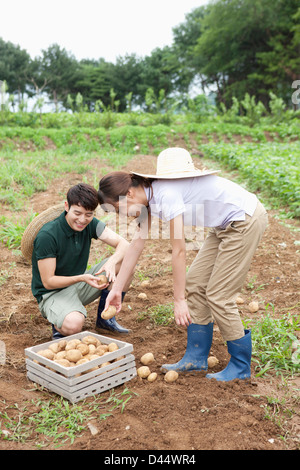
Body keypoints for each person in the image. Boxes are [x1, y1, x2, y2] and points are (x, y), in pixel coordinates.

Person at [97, 147, 268, 382]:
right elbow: (136, 245)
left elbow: (179, 250)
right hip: (223, 226)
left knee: (218, 295)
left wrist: (179, 300)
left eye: (118, 209)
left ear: (128, 195)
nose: (120, 215)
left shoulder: (165, 194)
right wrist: (116, 289)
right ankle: (196, 358)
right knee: (196, 283)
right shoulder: (147, 200)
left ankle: (240, 366)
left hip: (244, 220)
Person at [31, 183, 132, 339]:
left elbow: (124, 244)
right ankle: (59, 323)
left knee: (127, 263)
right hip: (52, 294)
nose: (82, 220)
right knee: (74, 324)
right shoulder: (48, 236)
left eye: (88, 214)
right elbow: (48, 282)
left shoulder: (90, 224)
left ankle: (106, 320)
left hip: (78, 285)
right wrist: (81, 278)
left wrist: (112, 262)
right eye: (77, 213)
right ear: (67, 206)